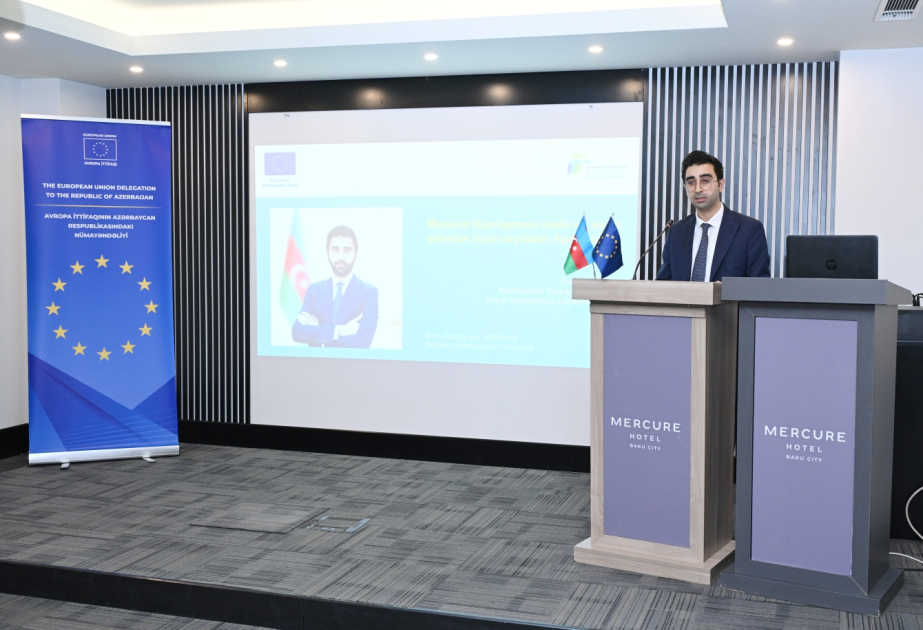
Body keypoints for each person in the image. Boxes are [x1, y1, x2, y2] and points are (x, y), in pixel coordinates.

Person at [656, 151, 770, 282]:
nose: (697, 189)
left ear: (721, 185)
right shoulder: (676, 232)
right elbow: (664, 284)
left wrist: (727, 290)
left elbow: (760, 286)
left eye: (705, 181)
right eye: (691, 182)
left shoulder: (749, 230)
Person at [292, 225, 379, 348]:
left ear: (356, 254)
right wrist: (339, 331)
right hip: (317, 361)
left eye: (347, 250)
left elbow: (363, 341)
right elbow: (297, 332)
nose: (341, 257)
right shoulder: (314, 290)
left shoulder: (368, 293)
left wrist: (319, 335)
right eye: (335, 250)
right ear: (327, 253)